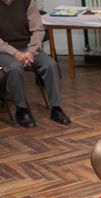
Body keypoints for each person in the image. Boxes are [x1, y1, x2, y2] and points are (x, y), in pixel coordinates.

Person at [0, 0, 71, 128]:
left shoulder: (27, 2)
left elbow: (38, 29)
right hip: (4, 52)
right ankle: (22, 110)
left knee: (50, 64)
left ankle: (56, 108)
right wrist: (15, 54)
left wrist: (31, 52)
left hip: (27, 49)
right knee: (14, 67)